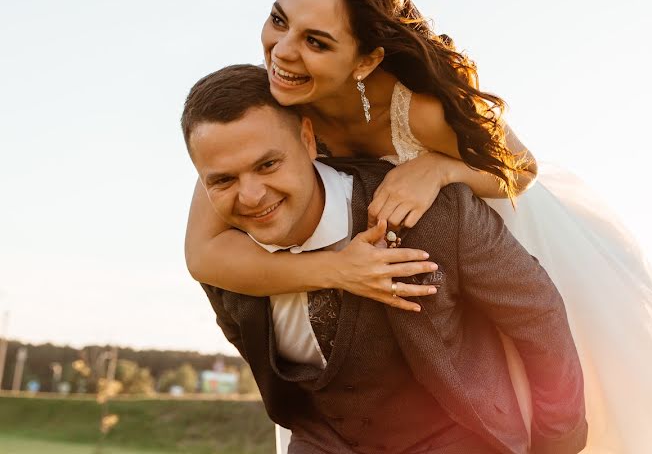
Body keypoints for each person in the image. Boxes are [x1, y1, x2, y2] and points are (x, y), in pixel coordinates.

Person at [185, 0, 652, 453]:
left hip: (478, 239)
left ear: (367, 59)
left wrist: (440, 169)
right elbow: (204, 253)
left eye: (316, 41)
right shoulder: (267, 114)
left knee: (527, 391)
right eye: (280, 20)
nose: (283, 51)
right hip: (369, 295)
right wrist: (337, 269)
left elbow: (521, 169)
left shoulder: (421, 110)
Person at [182, 63, 587, 453]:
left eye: (268, 164)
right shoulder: (226, 262)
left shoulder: (436, 215)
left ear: (308, 140)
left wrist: (555, 445)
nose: (251, 196)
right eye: (223, 180)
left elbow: (538, 317)